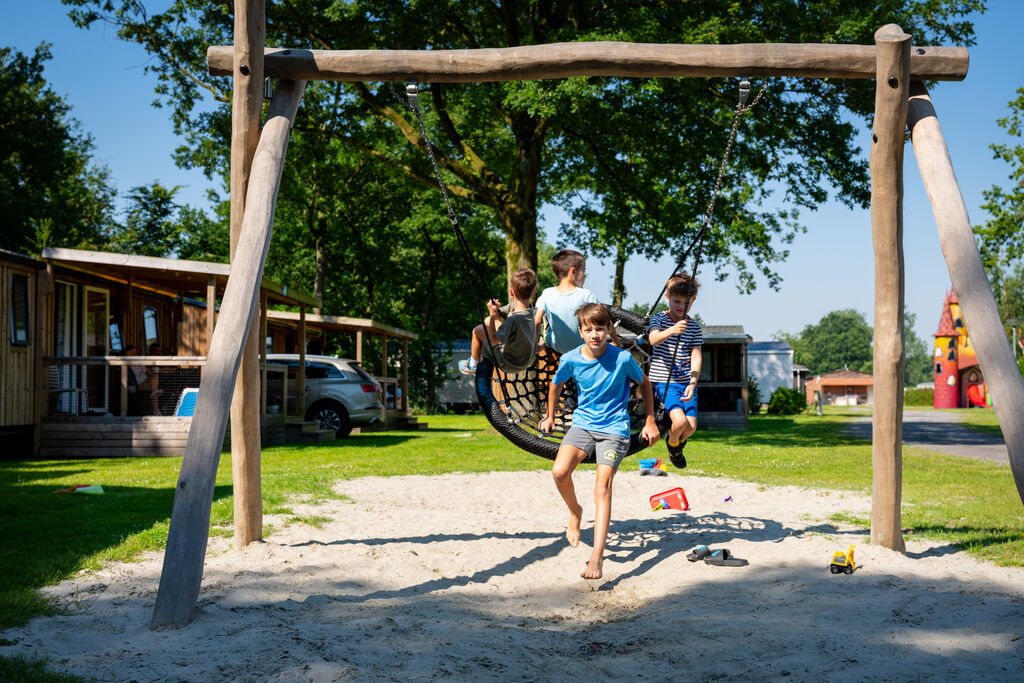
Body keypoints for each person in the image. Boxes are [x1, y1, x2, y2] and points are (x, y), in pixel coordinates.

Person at [539, 303, 660, 580]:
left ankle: (596, 557)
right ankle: (575, 512)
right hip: (583, 425)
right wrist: (549, 415)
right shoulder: (570, 359)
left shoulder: (622, 359)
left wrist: (650, 419)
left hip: (614, 428)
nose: (595, 334)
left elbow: (645, 384)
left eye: (600, 329)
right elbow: (556, 384)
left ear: (608, 330)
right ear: (581, 332)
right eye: (589, 329)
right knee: (559, 472)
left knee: (602, 488)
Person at [646, 273, 703, 469]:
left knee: (691, 427)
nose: (681, 306)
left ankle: (674, 445)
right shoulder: (660, 319)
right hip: (665, 382)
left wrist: (693, 383)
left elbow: (696, 355)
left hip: (686, 383)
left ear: (693, 301)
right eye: (677, 301)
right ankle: (674, 445)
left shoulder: (694, 327)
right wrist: (672, 330)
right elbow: (653, 340)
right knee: (679, 423)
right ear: (667, 298)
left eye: (686, 303)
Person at [459, 268, 538, 376]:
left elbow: (493, 340)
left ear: (511, 291)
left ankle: (472, 365)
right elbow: (498, 316)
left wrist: (491, 314)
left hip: (509, 364)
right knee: (487, 321)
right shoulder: (531, 310)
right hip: (526, 360)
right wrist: (495, 311)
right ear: (534, 292)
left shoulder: (513, 320)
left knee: (477, 331)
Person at [533, 249, 599, 355]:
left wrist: (534, 344)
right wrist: (616, 341)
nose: (585, 276)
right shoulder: (586, 294)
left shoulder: (547, 293)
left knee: (546, 316)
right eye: (584, 271)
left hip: (555, 345)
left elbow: (536, 321)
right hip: (583, 346)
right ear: (573, 271)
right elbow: (603, 318)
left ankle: (546, 342)